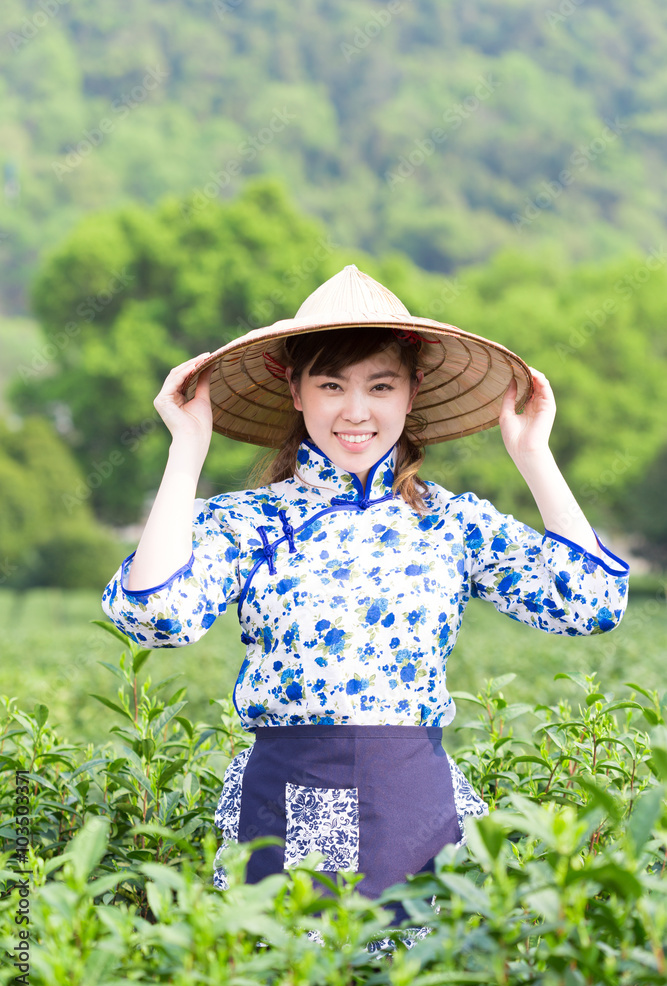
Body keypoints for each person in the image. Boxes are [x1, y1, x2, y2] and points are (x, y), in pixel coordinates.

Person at [101, 264, 629, 930]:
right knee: (304, 969)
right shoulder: (251, 520)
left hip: (412, 801)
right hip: (289, 801)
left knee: (418, 974)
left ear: (411, 394)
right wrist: (187, 449)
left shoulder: (450, 521)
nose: (355, 412)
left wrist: (533, 457)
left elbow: (588, 602)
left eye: (380, 386)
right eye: (330, 386)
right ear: (293, 390)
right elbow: (156, 620)